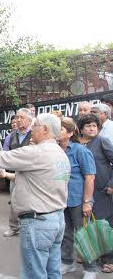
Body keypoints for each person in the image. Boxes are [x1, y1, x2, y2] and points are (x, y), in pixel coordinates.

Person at [0, 113, 70, 279]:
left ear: (45, 129)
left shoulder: (36, 152)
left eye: (35, 125)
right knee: (52, 270)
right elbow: (38, 179)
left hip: (38, 222)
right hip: (56, 219)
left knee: (34, 273)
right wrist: (7, 176)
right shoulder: (59, 153)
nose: (31, 129)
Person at [58, 117, 97, 278]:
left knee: (83, 235)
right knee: (65, 234)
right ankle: (67, 262)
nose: (56, 132)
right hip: (61, 200)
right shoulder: (56, 150)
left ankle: (90, 267)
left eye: (59, 129)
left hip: (79, 200)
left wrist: (87, 202)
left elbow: (90, 177)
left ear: (70, 132)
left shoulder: (80, 150)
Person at [78, 114, 113, 274]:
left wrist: (111, 184)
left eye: (94, 126)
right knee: (88, 224)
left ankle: (109, 259)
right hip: (83, 191)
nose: (92, 128)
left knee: (104, 225)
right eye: (88, 126)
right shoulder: (77, 143)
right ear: (81, 129)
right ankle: (93, 253)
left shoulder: (101, 141)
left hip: (101, 190)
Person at [3, 108, 33, 237]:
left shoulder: (33, 134)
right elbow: (5, 152)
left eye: (22, 118)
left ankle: (28, 226)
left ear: (30, 120)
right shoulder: (12, 135)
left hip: (31, 173)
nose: (18, 120)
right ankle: (14, 226)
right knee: (14, 199)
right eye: (17, 118)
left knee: (31, 201)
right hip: (15, 173)